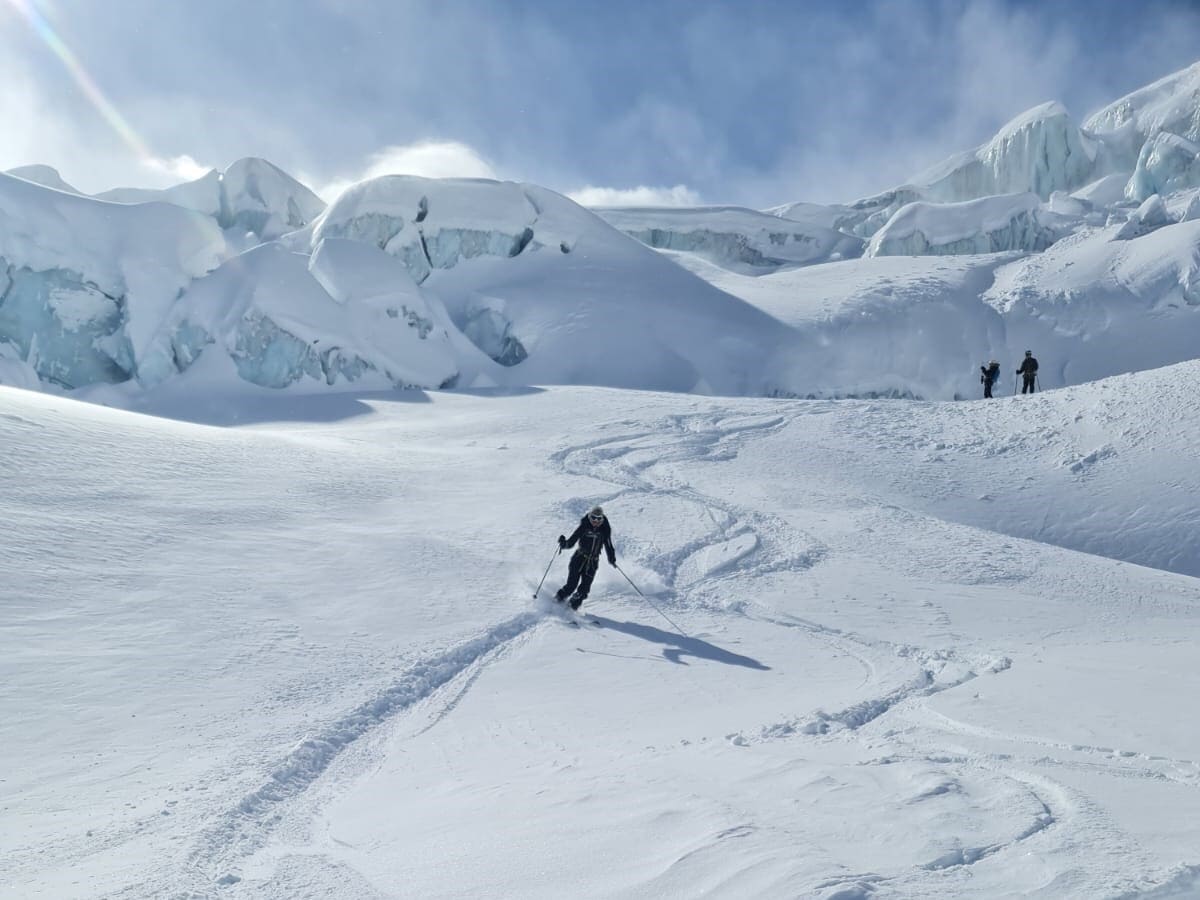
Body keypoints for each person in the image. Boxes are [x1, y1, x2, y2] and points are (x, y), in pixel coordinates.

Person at [555, 505, 616, 610]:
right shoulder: (584, 526)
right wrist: (564, 544)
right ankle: (556, 601)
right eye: (593, 517)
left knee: (584, 591)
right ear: (589, 517)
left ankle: (570, 609)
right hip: (578, 559)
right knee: (571, 586)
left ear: (602, 519)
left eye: (599, 518)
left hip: (592, 563)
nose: (596, 521)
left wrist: (612, 558)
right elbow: (571, 541)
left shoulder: (604, 529)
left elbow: (609, 545)